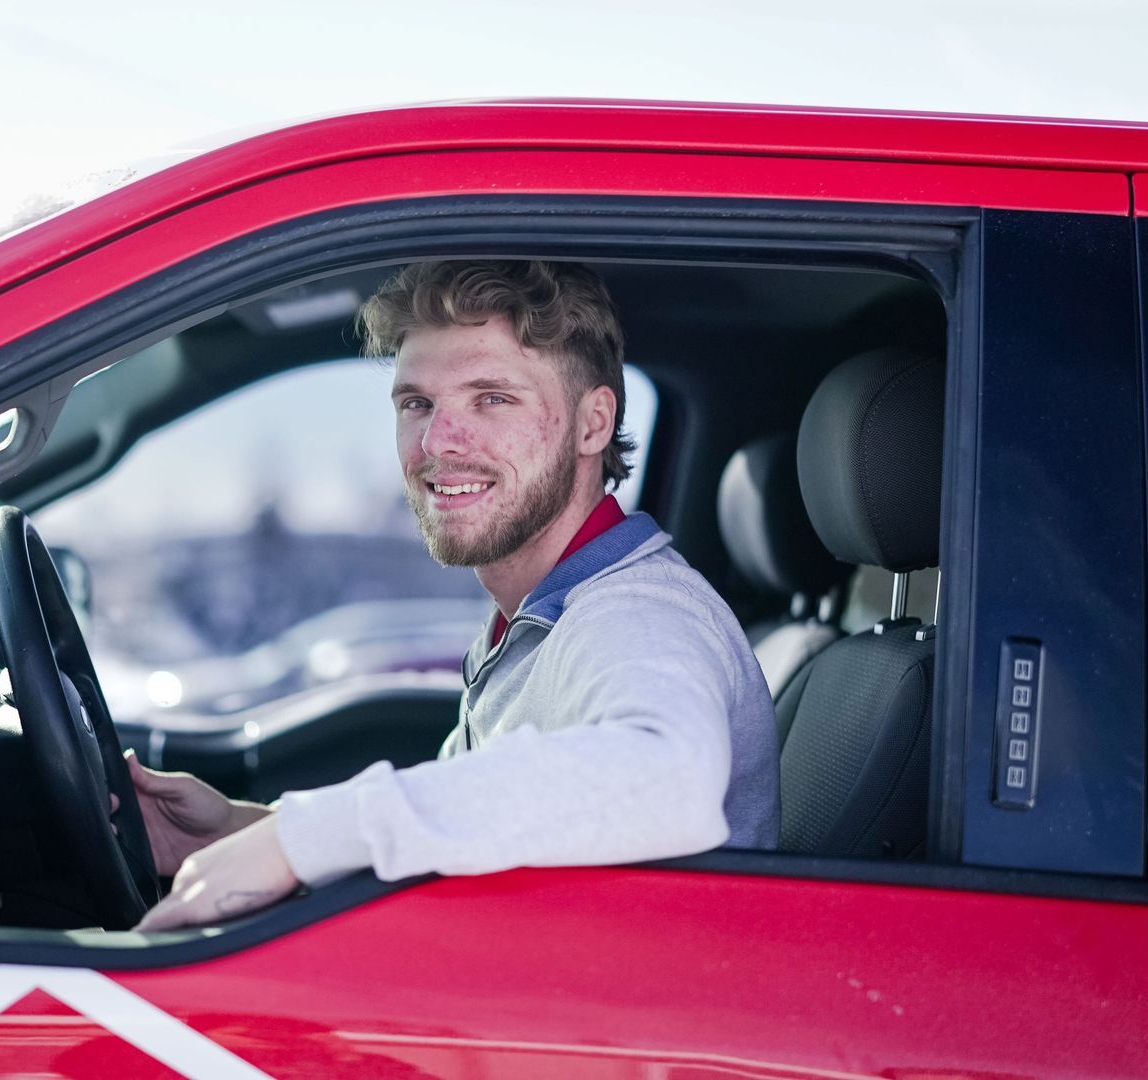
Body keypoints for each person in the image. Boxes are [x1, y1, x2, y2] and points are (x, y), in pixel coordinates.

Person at [131, 260, 779, 932]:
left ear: (593, 425)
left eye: (492, 399)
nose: (437, 442)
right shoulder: (534, 617)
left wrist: (302, 842)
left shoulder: (637, 613)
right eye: (417, 404)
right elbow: (472, 824)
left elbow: (669, 776)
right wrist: (243, 834)